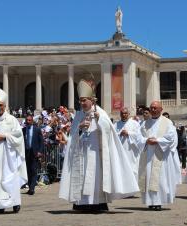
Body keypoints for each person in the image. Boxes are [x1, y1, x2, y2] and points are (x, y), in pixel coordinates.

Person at [59, 78, 139, 212]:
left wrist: (99, 120)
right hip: (81, 153)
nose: (82, 103)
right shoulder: (79, 115)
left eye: (84, 100)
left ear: (92, 100)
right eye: (80, 100)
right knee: (82, 177)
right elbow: (72, 135)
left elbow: (109, 131)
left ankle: (96, 203)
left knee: (94, 177)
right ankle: (81, 203)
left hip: (96, 154)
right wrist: (79, 127)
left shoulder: (100, 113)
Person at [137, 101, 180, 211]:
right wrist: (146, 140)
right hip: (148, 155)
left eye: (155, 108)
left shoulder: (167, 122)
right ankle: (150, 202)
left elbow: (170, 137)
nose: (153, 110)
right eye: (151, 108)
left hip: (161, 155)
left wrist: (157, 140)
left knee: (160, 179)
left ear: (161, 109)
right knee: (148, 178)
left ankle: (159, 202)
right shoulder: (144, 123)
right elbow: (138, 137)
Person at [114, 107, 141, 182]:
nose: (124, 115)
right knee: (122, 169)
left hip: (131, 151)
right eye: (122, 113)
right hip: (121, 151)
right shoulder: (116, 125)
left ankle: (132, 190)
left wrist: (128, 133)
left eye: (125, 113)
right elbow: (112, 136)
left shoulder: (135, 124)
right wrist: (120, 134)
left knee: (132, 169)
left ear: (129, 114)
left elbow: (138, 136)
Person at [22, 114, 44, 195]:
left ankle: (32, 188)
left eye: (29, 120)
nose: (28, 122)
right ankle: (30, 186)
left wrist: (40, 151)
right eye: (26, 120)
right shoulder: (23, 130)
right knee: (28, 171)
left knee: (34, 170)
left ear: (32, 121)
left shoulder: (37, 130)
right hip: (26, 152)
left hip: (34, 152)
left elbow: (41, 142)